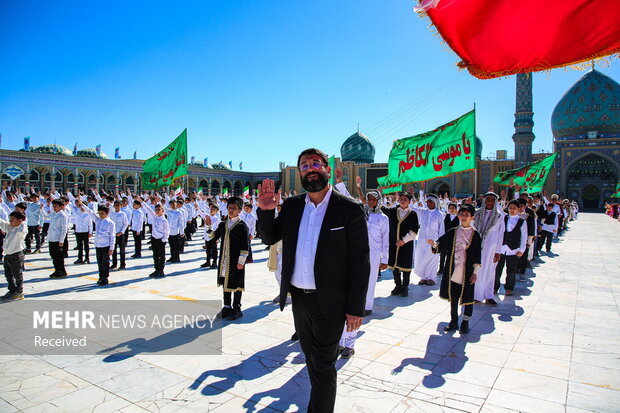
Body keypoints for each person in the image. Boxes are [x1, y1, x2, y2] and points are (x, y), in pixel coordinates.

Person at [257, 148, 370, 413]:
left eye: (316, 164)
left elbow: (360, 262)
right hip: (300, 299)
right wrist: (265, 211)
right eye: (305, 165)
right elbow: (270, 237)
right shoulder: (294, 206)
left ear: (327, 169)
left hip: (330, 300)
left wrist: (355, 307)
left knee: (322, 364)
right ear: (300, 173)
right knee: (311, 359)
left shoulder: (349, 209)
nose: (311, 169)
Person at [339, 190, 389, 359]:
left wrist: (385, 258)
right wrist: (339, 182)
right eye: (369, 199)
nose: (371, 201)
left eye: (374, 199)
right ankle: (340, 342)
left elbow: (386, 239)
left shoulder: (383, 218)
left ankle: (366, 307)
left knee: (369, 283)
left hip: (373, 254)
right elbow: (347, 197)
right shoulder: (361, 213)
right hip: (355, 253)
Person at [428, 204, 482, 334]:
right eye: (462, 214)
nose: (464, 217)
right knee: (453, 297)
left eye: (467, 215)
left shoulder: (476, 236)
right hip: (453, 269)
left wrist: (475, 273)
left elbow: (477, 256)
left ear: (472, 217)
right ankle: (453, 321)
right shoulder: (453, 232)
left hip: (467, 271)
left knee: (468, 298)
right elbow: (441, 243)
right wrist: (434, 244)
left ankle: (465, 322)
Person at [205, 197, 250, 321]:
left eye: (234, 208)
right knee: (225, 280)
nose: (231, 210)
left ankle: (237, 308)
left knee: (236, 283)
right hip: (225, 260)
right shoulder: (223, 224)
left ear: (239, 210)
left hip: (236, 261)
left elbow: (245, 246)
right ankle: (226, 306)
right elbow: (213, 236)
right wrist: (208, 226)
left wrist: (241, 261)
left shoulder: (242, 226)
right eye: (230, 207)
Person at [382, 192, 419, 297]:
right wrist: (379, 195)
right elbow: (382, 209)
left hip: (406, 245)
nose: (403, 201)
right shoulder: (394, 211)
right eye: (401, 199)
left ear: (409, 201)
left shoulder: (412, 214)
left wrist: (404, 240)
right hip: (394, 243)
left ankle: (405, 287)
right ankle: (397, 285)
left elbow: (414, 231)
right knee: (395, 266)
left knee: (405, 266)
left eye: (405, 199)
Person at [473, 192, 505, 306]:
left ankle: (488, 296)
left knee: (490, 272)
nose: (489, 202)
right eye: (488, 200)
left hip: (491, 248)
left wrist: (498, 251)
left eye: (492, 200)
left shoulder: (499, 216)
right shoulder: (477, 214)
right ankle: (476, 295)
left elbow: (501, 234)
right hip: (477, 247)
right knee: (477, 271)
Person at [412, 187, 445, 286]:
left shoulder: (439, 214)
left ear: (435, 203)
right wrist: (411, 195)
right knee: (422, 258)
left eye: (431, 202)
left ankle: (431, 277)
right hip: (422, 240)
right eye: (428, 201)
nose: (428, 203)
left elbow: (442, 229)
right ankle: (423, 277)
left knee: (432, 259)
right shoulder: (423, 212)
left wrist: (440, 243)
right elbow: (412, 207)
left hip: (433, 241)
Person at [494, 200, 527, 296]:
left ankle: (509, 288)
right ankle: (495, 287)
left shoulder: (522, 221)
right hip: (501, 248)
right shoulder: (503, 218)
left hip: (513, 249)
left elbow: (524, 236)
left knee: (511, 271)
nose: (512, 210)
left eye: (514, 208)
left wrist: (521, 250)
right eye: (510, 208)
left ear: (518, 209)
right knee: (497, 269)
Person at [83, 204, 116, 285]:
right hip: (98, 245)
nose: (101, 215)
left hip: (106, 246)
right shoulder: (98, 220)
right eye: (99, 213)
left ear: (107, 213)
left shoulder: (110, 223)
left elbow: (112, 236)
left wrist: (112, 248)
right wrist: (83, 205)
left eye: (102, 213)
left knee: (105, 263)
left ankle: (105, 278)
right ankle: (101, 276)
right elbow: (90, 213)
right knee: (100, 263)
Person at [0, 211, 28, 300]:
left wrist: (22, 221)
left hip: (16, 255)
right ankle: (12, 289)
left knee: (17, 274)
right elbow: (2, 223)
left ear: (19, 221)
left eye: (12, 220)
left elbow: (23, 228)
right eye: (10, 219)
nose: (10, 221)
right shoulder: (10, 228)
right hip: (8, 255)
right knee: (8, 274)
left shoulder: (20, 230)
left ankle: (19, 291)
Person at [141, 201, 169, 278]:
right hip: (154, 239)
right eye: (156, 210)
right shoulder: (155, 217)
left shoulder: (164, 220)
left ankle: (161, 270)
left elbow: (167, 231)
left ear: (162, 210)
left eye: (159, 209)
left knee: (161, 256)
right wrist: (142, 202)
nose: (157, 211)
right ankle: (156, 269)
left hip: (160, 240)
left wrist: (164, 240)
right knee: (155, 256)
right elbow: (148, 210)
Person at [46, 199, 70, 278]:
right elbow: (46, 216)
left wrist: (61, 241)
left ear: (62, 207)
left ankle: (61, 271)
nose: (54, 207)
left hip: (57, 239)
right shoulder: (53, 214)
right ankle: (57, 270)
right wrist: (41, 209)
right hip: (51, 238)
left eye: (56, 206)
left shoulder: (63, 216)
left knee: (58, 256)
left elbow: (64, 229)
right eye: (53, 206)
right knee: (53, 255)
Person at [438, 203, 459, 275]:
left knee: (452, 255)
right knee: (442, 254)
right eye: (450, 208)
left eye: (453, 208)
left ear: (456, 209)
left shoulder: (458, 218)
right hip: (445, 238)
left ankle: (450, 270)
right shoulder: (445, 216)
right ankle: (441, 269)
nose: (452, 209)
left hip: (454, 239)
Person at [198, 203, 220, 268]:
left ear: (216, 211)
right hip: (207, 236)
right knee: (208, 249)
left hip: (213, 235)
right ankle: (208, 261)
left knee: (214, 250)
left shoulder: (217, 219)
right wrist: (197, 207)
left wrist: (217, 238)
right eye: (211, 209)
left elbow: (219, 228)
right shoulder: (206, 216)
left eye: (214, 209)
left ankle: (214, 262)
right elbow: (200, 213)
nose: (212, 210)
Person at [71, 198, 93, 264]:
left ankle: (87, 258)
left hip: (85, 231)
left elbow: (90, 224)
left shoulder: (88, 214)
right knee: (80, 246)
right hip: (78, 231)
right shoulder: (76, 213)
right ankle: (80, 258)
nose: (81, 207)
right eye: (80, 206)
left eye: (82, 206)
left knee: (86, 245)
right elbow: (69, 216)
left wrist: (90, 232)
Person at [110, 200, 129, 270]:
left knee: (122, 250)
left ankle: (122, 264)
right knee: (113, 249)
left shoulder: (123, 214)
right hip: (113, 234)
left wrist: (121, 232)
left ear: (121, 206)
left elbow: (125, 224)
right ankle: (114, 264)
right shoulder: (111, 214)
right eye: (116, 205)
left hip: (120, 234)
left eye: (118, 205)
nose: (117, 207)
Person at [165, 199, 185, 263]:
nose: (172, 206)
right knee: (171, 245)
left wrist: (182, 232)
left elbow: (181, 223)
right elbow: (162, 207)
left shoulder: (179, 212)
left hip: (176, 231)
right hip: (169, 231)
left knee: (176, 246)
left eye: (173, 204)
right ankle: (172, 256)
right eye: (171, 205)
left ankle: (176, 257)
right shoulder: (169, 212)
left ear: (176, 204)